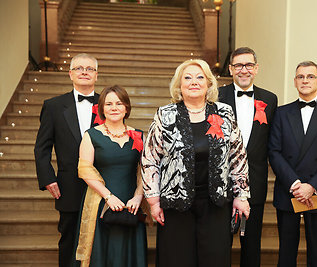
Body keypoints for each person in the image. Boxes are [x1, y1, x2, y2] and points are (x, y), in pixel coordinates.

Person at [141, 59, 250, 267]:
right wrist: (153, 201)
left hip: (216, 202)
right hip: (176, 203)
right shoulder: (166, 115)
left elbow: (238, 156)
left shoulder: (224, 112)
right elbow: (150, 159)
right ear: (179, 85)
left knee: (215, 258)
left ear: (209, 84)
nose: (194, 82)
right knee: (177, 259)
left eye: (200, 77)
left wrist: (241, 195)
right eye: (187, 78)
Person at [268, 61, 317, 267]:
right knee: (286, 252)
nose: (305, 80)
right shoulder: (281, 112)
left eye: (310, 76)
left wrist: (311, 186)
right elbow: (274, 152)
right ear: (294, 82)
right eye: (300, 77)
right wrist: (295, 184)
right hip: (289, 190)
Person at [34, 53, 101, 267]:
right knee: (69, 237)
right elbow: (42, 147)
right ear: (70, 74)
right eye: (79, 68)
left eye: (89, 68)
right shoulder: (53, 106)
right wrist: (47, 178)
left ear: (96, 75)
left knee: (101, 237)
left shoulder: (108, 103)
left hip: (103, 183)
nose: (84, 72)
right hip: (67, 184)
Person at [74, 85, 147, 267]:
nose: (114, 108)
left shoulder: (138, 135)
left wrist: (138, 196)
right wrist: (108, 197)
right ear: (102, 108)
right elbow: (85, 170)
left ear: (126, 108)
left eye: (119, 103)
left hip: (131, 205)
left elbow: (145, 170)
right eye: (109, 104)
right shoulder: (91, 135)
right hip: (101, 202)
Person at [218, 47, 278, 267]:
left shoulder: (270, 99)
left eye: (249, 65)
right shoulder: (216, 96)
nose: (244, 70)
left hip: (255, 181)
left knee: (251, 243)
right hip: (220, 182)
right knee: (219, 243)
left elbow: (273, 142)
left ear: (256, 68)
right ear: (231, 69)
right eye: (239, 65)